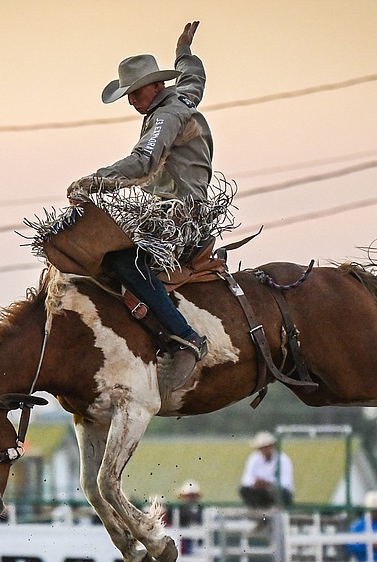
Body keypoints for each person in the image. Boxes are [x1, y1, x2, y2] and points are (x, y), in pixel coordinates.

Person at [72, 21, 215, 396]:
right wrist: (184, 50)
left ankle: (184, 336)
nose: (133, 102)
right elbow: (194, 77)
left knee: (120, 259)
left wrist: (95, 180)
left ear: (156, 87)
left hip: (181, 215)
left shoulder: (166, 117)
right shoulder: (182, 98)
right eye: (129, 95)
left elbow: (143, 162)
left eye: (136, 93)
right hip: (184, 208)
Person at [239, 431, 294, 508]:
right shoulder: (254, 459)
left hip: (278, 493)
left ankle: (275, 508)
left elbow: (286, 483)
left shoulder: (283, 459)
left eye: (267, 447)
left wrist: (268, 484)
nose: (265, 450)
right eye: (262, 448)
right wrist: (255, 483)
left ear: (272, 446)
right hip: (260, 492)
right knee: (244, 490)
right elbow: (246, 479)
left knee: (279, 493)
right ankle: (257, 510)